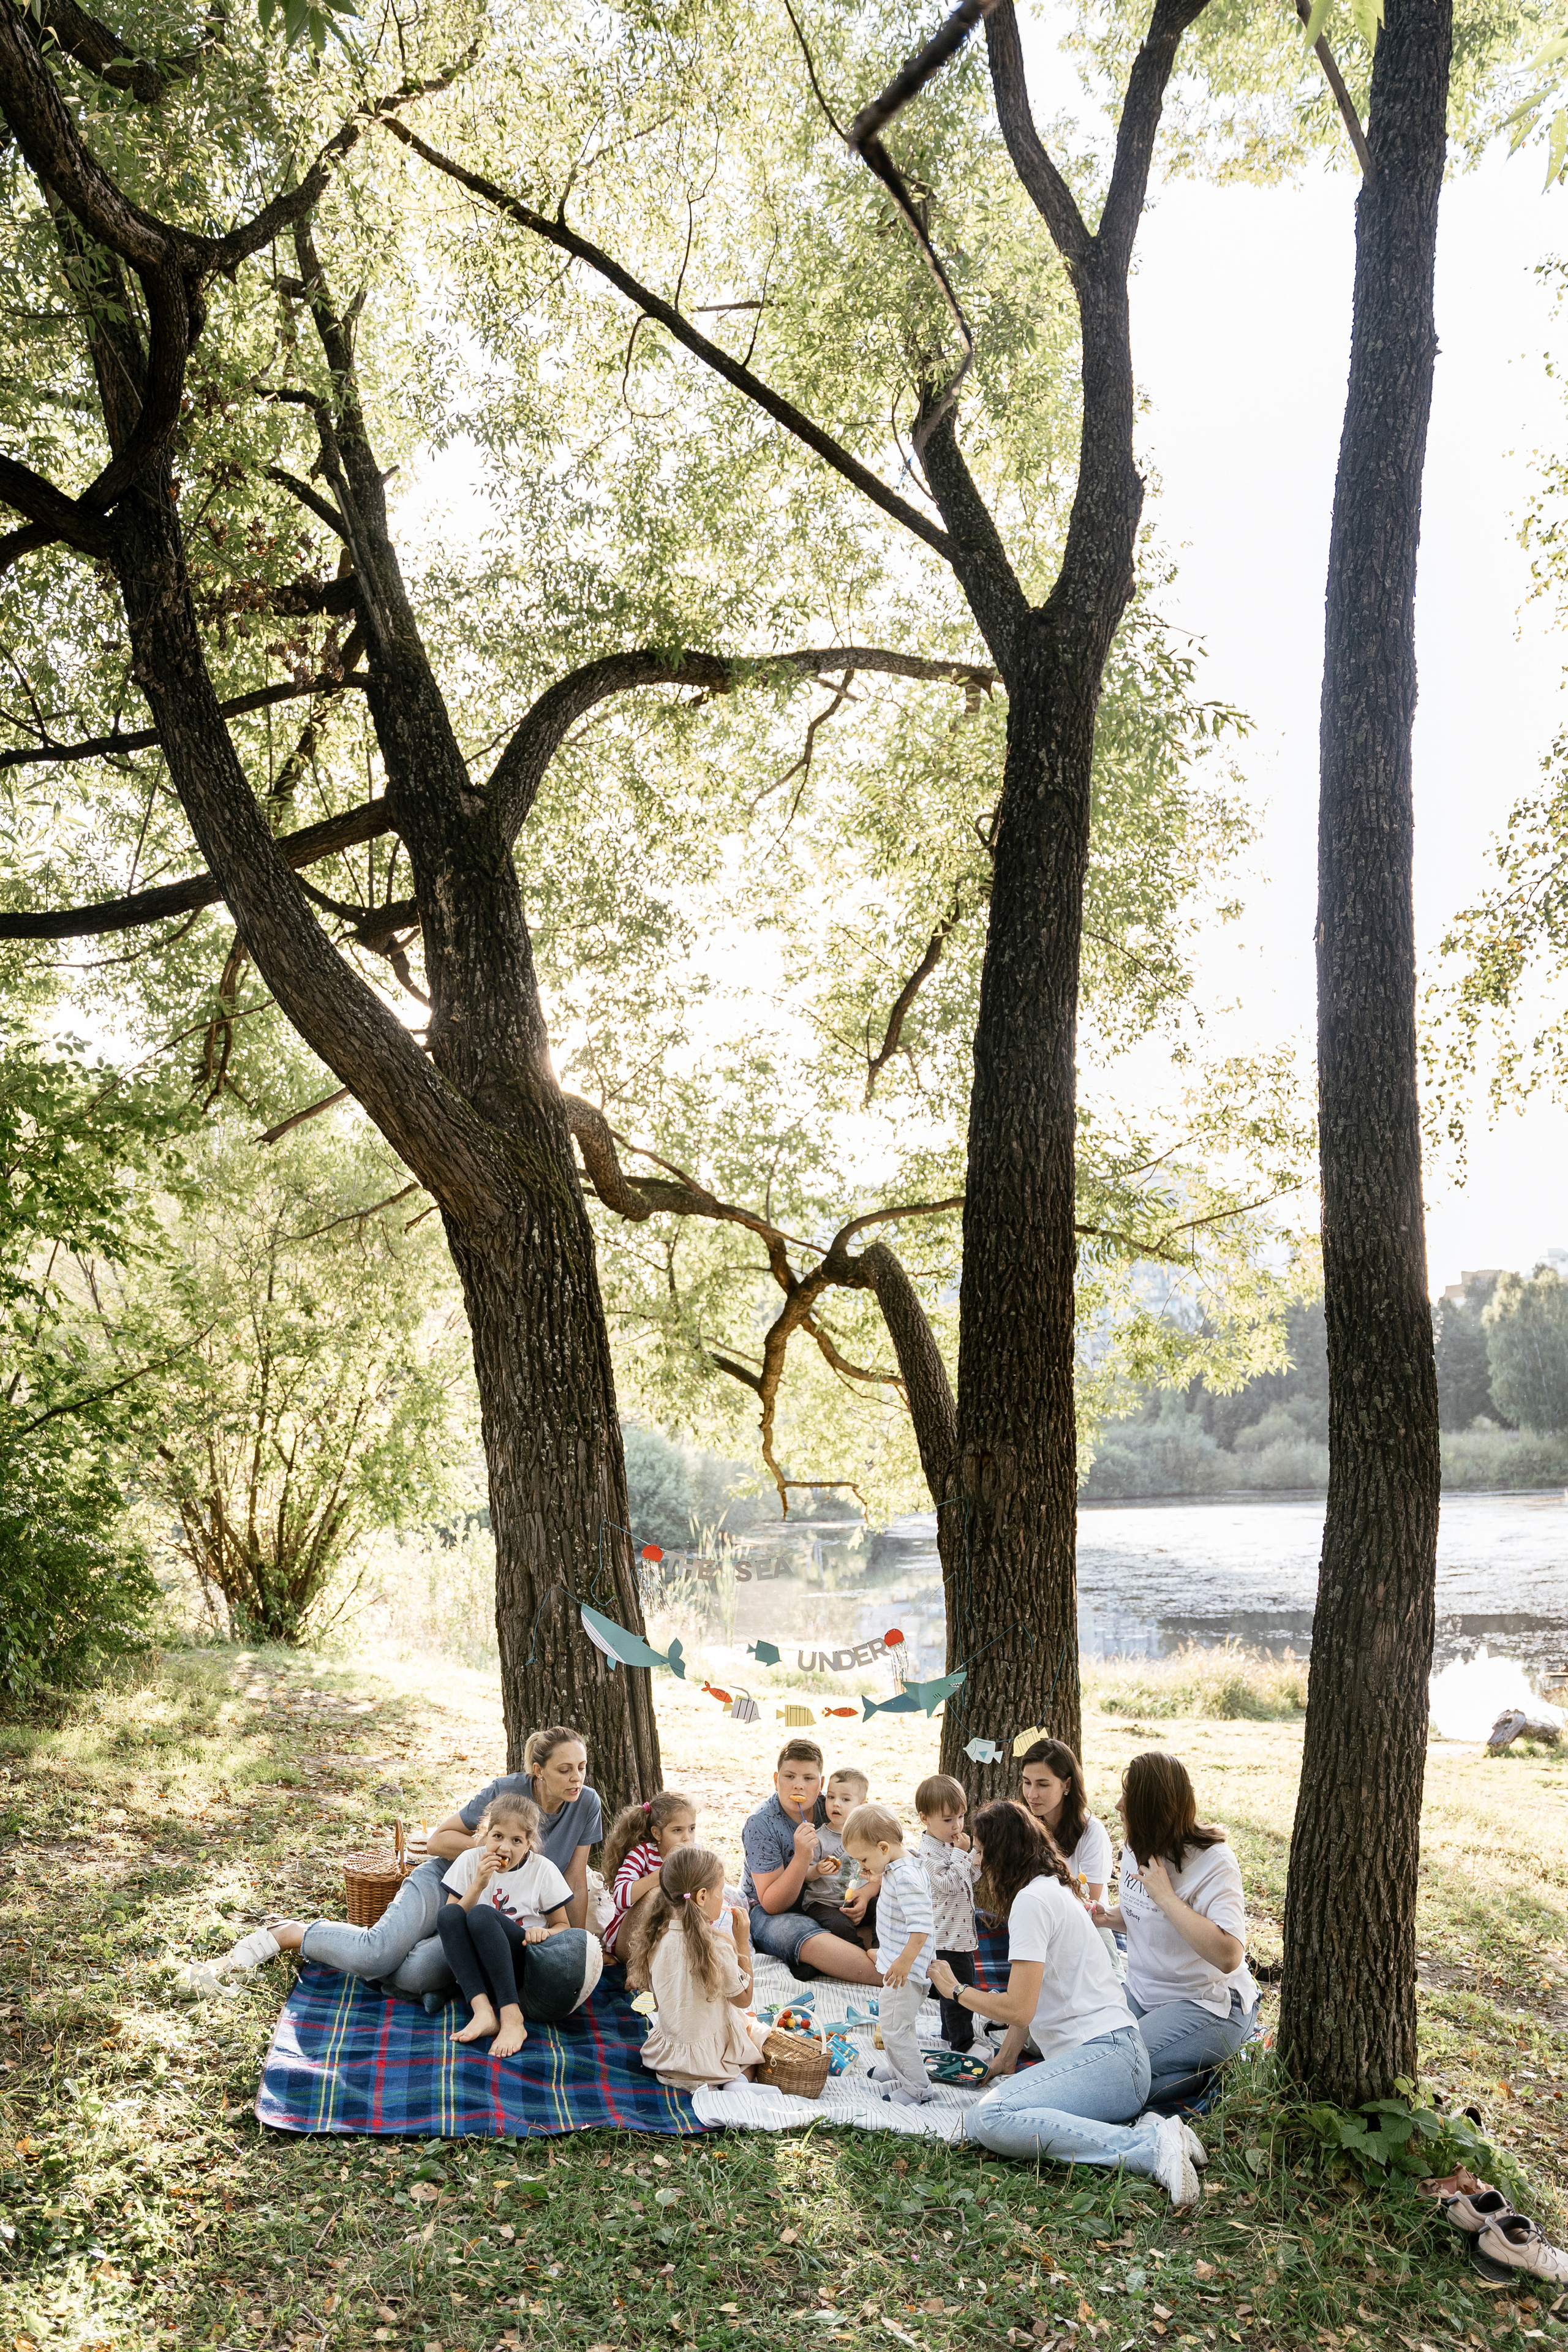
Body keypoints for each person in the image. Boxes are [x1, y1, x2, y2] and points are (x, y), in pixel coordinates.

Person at [933, 1801, 1204, 2207]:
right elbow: (1034, 1997)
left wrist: (956, 1990)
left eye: (982, 1851)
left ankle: (1149, 2148)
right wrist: (1006, 2058)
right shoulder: (1049, 1889)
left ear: (1002, 1855)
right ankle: (1155, 2130)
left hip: (1109, 2057)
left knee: (988, 2118)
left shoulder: (1032, 1901)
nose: (976, 1861)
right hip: (1116, 2060)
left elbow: (1018, 2009)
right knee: (1002, 2109)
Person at [1092, 1750, 1259, 2103]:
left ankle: (1202, 2070)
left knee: (1115, 2067)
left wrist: (1167, 1897)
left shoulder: (1215, 1862)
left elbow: (1229, 1956)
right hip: (1144, 1992)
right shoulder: (1137, 1846)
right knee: (1085, 2049)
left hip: (1208, 2003)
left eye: (1129, 1797)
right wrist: (1106, 1917)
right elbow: (1143, 1913)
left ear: (1152, 1808)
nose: (1119, 1805)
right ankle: (1195, 2072)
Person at [436, 1793, 603, 2055]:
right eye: (498, 1836)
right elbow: (452, 1924)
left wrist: (544, 1932)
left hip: (520, 1963)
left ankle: (512, 2018)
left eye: (516, 1841)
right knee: (448, 1915)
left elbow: (563, 1927)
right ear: (486, 1835)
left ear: (529, 1844)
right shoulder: (470, 1861)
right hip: (479, 1966)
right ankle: (483, 2012)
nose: (505, 1848)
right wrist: (479, 1884)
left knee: (482, 1915)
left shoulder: (542, 1870)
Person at [428, 1727, 602, 1930]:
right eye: (565, 1770)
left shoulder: (587, 1803)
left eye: (582, 1767)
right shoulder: (506, 1790)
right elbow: (437, 1842)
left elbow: (575, 1881)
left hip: (509, 1916)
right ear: (539, 1771)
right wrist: (499, 1848)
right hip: (452, 1879)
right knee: (406, 1944)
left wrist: (579, 1941)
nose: (577, 1778)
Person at [630, 1845, 772, 2090]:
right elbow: (744, 1999)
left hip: (668, 2063)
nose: (724, 1899)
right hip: (710, 2064)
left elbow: (660, 2001)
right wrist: (742, 1942)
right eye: (721, 1891)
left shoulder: (655, 1941)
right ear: (702, 1897)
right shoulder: (718, 1948)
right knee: (758, 2037)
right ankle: (738, 2082)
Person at [740, 1739, 882, 1984]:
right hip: (775, 1910)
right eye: (789, 1777)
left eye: (808, 1778)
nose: (799, 1785)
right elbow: (773, 1905)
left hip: (830, 1900)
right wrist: (802, 1857)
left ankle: (826, 1960)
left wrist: (867, 1893)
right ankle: (891, 1977)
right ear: (776, 1780)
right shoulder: (761, 1824)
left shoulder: (832, 1806)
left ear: (821, 1783)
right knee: (798, 1933)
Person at [842, 1801, 935, 2105]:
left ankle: (917, 2088)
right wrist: (876, 1876)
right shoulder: (900, 1866)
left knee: (895, 2029)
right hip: (900, 1964)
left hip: (906, 1970)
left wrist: (904, 1962)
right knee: (895, 2021)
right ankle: (900, 2070)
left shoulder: (906, 1877)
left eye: (864, 1859)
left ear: (883, 1848)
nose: (861, 1866)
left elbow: (921, 1927)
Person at [916, 1773, 982, 2052]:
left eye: (961, 1817)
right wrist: (962, 1854)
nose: (957, 1826)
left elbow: (968, 1880)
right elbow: (948, 1883)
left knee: (953, 1989)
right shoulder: (928, 1853)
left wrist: (975, 1860)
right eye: (947, 1820)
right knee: (958, 1992)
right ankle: (963, 2043)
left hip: (961, 1934)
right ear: (925, 1818)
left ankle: (949, 2032)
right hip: (947, 1938)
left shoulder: (949, 1847)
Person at [600, 1791, 698, 1961]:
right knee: (655, 1896)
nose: (686, 1838)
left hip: (669, 1938)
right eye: (677, 1830)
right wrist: (660, 1875)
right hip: (629, 1939)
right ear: (657, 1833)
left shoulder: (694, 1855)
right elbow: (620, 1897)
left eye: (692, 1829)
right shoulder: (643, 1854)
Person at [1019, 1739, 1114, 1903]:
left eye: (1043, 1785)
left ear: (1067, 1785)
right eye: (1027, 1783)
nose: (1032, 1794)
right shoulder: (1023, 1827)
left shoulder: (1092, 1832)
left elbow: (1090, 1904)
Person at [802, 1768, 875, 1940]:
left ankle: (879, 1949)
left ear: (862, 1806)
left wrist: (865, 1897)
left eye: (845, 1799)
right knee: (839, 1926)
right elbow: (804, 1874)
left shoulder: (870, 1837)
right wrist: (818, 1870)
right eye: (831, 1797)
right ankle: (857, 1952)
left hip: (858, 1900)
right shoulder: (819, 1838)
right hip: (823, 1903)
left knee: (884, 1908)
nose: (836, 1804)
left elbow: (879, 1875)